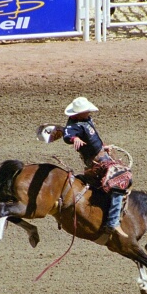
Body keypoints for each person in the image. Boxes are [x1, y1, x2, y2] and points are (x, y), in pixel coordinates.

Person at [62, 97, 129, 239]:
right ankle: (113, 222)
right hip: (97, 162)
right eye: (86, 111)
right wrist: (75, 139)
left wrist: (103, 147)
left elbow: (93, 139)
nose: (88, 113)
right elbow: (67, 135)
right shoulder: (73, 125)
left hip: (102, 155)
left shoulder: (86, 120)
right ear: (79, 113)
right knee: (121, 179)